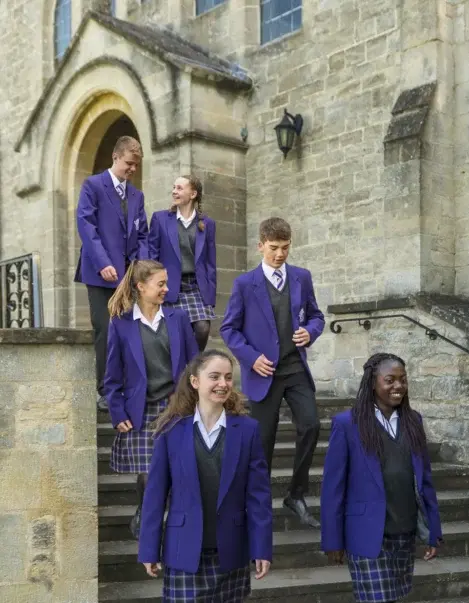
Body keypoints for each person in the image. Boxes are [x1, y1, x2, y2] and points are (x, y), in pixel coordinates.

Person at [138, 350, 273, 603]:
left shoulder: (247, 431)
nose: (222, 383)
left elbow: (258, 494)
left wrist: (261, 546)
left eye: (228, 377)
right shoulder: (171, 431)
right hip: (184, 551)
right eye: (214, 376)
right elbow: (155, 493)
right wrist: (149, 547)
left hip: (231, 546)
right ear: (194, 381)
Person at [320, 353, 442, 603]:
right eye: (390, 379)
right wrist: (333, 540)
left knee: (390, 601)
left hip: (404, 527)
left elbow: (426, 481)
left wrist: (433, 530)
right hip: (365, 532)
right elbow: (332, 487)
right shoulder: (348, 424)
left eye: (402, 379)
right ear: (372, 381)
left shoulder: (413, 422)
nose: (398, 386)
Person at [220, 217, 325, 528]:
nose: (280, 254)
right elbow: (229, 329)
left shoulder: (302, 277)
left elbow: (316, 316)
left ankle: (296, 494)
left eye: (286, 247)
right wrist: (251, 359)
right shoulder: (244, 284)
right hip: (263, 373)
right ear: (260, 246)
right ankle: (257, 502)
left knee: (311, 425)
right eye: (274, 248)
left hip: (294, 368)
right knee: (263, 441)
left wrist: (310, 331)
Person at [104, 260, 198, 534]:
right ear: (140, 287)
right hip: (140, 408)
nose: (166, 289)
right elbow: (112, 376)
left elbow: (195, 364)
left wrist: (196, 400)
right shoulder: (121, 325)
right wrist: (117, 411)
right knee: (147, 471)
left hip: (175, 405)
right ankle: (146, 511)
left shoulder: (178, 318)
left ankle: (158, 514)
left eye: (166, 283)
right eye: (161, 284)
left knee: (169, 468)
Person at [75, 135, 149, 411]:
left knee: (128, 330)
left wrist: (139, 268)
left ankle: (127, 385)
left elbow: (142, 234)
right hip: (99, 273)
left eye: (136, 166)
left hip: (129, 277)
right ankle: (104, 390)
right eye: (129, 163)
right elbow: (86, 225)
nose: (132, 169)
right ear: (116, 157)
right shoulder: (93, 185)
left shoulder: (137, 196)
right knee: (105, 330)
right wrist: (103, 262)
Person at [148, 175, 216, 352]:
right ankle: (180, 370)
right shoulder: (160, 219)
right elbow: (152, 256)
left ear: (193, 194)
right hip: (169, 286)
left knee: (202, 329)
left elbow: (210, 262)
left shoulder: (207, 224)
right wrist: (154, 287)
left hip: (196, 287)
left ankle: (193, 367)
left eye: (179, 188)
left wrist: (210, 295)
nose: (174, 191)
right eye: (174, 188)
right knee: (174, 335)